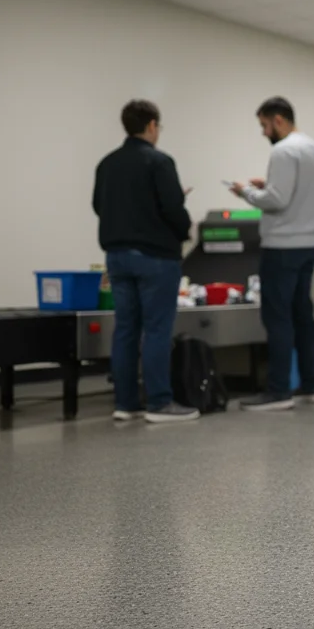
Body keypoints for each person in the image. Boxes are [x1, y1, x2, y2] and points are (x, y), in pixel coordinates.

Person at [92, 100, 198, 423]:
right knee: (156, 329)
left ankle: (125, 403)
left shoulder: (107, 164)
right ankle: (160, 403)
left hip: (117, 257)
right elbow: (172, 210)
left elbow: (99, 205)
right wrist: (183, 226)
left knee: (125, 329)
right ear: (152, 125)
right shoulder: (160, 162)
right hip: (155, 258)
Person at [228, 97, 314, 411]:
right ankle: (312, 386)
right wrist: (269, 186)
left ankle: (278, 390)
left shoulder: (283, 150)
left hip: (282, 246)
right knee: (302, 316)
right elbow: (291, 192)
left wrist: (246, 191)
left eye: (264, 125)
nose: (264, 132)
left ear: (279, 119)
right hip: (309, 244)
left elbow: (277, 201)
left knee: (278, 318)